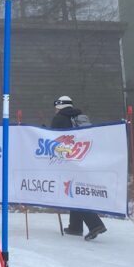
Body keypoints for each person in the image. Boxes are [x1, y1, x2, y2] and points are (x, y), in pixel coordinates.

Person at [51, 96, 107, 241]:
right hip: (83, 158)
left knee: (73, 191)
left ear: (59, 106)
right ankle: (75, 226)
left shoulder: (59, 118)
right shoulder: (80, 117)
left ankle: (95, 224)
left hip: (68, 160)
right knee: (74, 189)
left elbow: (53, 137)